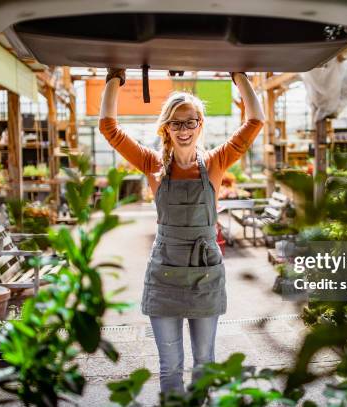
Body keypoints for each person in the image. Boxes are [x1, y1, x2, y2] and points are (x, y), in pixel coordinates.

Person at [99, 68, 265, 395]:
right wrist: (114, 78)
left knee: (204, 363)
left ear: (200, 125)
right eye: (176, 123)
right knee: (170, 368)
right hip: (164, 277)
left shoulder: (217, 163)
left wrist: (239, 76)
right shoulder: (152, 165)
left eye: (191, 122)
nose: (184, 129)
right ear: (166, 128)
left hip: (205, 277)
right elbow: (109, 128)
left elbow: (255, 120)